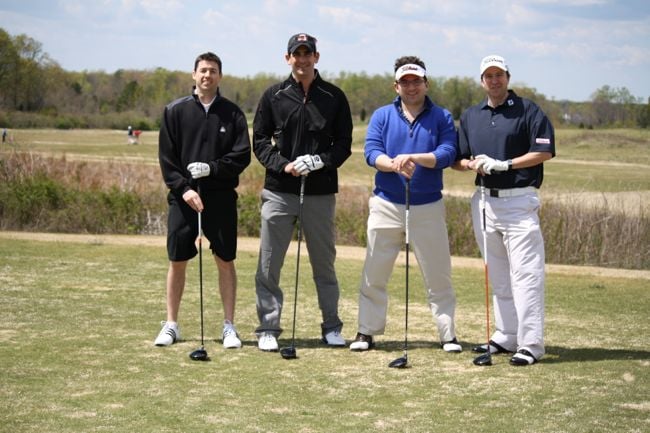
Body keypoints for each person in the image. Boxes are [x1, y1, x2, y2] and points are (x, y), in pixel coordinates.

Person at [349, 56, 462, 353]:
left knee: (438, 274)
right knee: (374, 272)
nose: (411, 86)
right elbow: (372, 152)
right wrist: (394, 164)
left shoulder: (442, 117)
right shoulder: (382, 115)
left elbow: (448, 152)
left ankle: (448, 334)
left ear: (426, 83)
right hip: (386, 204)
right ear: (396, 85)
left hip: (428, 205)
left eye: (416, 81)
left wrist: (414, 158)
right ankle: (366, 332)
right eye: (405, 82)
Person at [252, 33, 353, 351]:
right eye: (297, 54)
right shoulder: (273, 96)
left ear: (317, 58)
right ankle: (268, 327)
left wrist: (320, 161)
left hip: (320, 193)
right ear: (287, 59)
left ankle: (332, 326)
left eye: (308, 53)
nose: (303, 59)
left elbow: (344, 145)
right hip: (280, 191)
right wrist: (285, 165)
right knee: (269, 263)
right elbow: (260, 141)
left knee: (324, 262)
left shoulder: (334, 96)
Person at [454, 54, 555, 366]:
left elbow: (544, 150)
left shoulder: (528, 110)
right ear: (482, 80)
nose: (494, 80)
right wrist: (474, 164)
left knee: (525, 274)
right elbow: (458, 158)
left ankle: (531, 343)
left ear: (508, 78)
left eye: (499, 75)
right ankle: (507, 334)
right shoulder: (472, 115)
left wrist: (505, 164)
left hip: (519, 201)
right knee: (497, 274)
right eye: (489, 75)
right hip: (484, 201)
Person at [156, 52, 251, 349]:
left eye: (212, 71)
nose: (207, 75)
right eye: (202, 71)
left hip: (221, 197)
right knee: (178, 259)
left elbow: (241, 156)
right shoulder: (175, 111)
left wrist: (213, 168)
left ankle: (229, 326)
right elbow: (167, 159)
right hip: (183, 198)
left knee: (225, 260)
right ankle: (171, 324)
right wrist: (184, 188)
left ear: (220, 76)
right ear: (194, 75)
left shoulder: (232, 113)